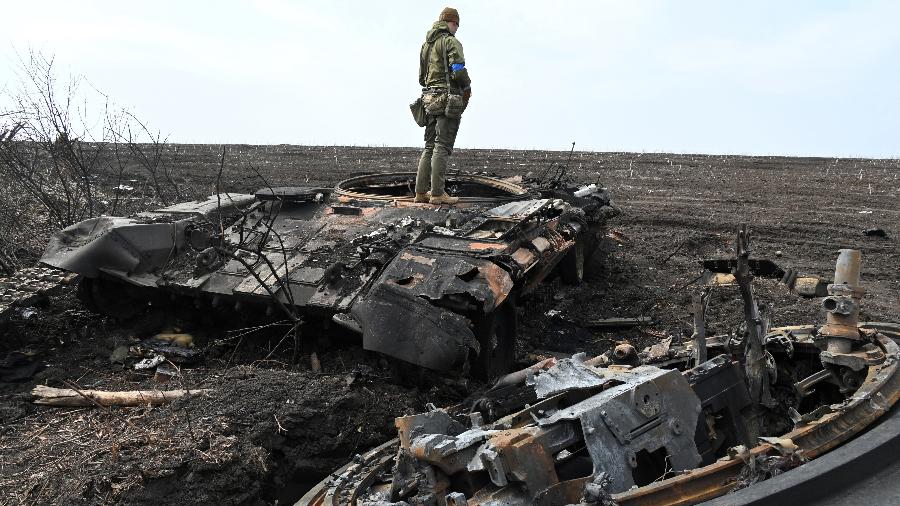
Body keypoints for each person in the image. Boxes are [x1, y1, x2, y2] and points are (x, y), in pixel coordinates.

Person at [414, 7, 472, 205]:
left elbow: (422, 78)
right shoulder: (450, 41)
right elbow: (458, 69)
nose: (457, 28)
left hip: (428, 99)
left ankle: (421, 193)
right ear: (451, 22)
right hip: (447, 99)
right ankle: (438, 193)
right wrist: (467, 86)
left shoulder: (425, 45)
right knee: (442, 146)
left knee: (429, 146)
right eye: (456, 24)